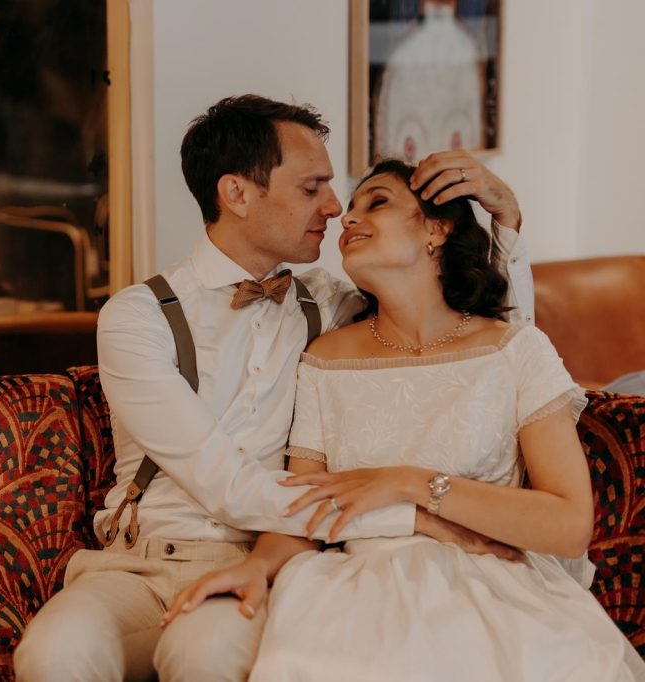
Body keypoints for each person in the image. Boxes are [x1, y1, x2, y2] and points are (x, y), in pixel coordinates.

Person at [13, 95, 534, 681]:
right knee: (52, 653)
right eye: (313, 188)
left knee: (203, 653)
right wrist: (410, 517)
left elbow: (481, 351)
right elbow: (226, 484)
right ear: (236, 194)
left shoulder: (334, 305)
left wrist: (504, 219)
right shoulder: (136, 317)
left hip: (268, 559)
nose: (335, 208)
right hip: (135, 565)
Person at [164, 159, 645, 680]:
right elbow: (302, 506)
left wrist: (409, 483)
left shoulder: (514, 350)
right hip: (354, 586)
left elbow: (570, 526)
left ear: (437, 229)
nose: (347, 220)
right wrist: (256, 566)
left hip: (497, 586)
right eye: (348, 212)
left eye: (377, 202)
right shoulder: (325, 358)